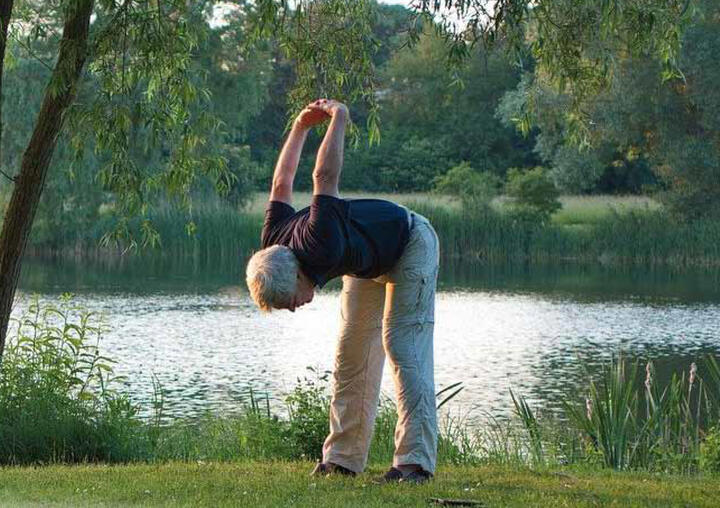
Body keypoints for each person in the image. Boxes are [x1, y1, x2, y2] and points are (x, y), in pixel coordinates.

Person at [245, 98, 440, 484]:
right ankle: (342, 459)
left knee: (402, 346)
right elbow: (281, 183)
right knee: (351, 354)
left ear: (298, 274)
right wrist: (299, 127)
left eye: (290, 302)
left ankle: (415, 464)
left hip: (411, 242)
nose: (296, 309)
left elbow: (324, 177)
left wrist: (339, 119)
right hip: (366, 261)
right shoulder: (273, 242)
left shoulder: (319, 243)